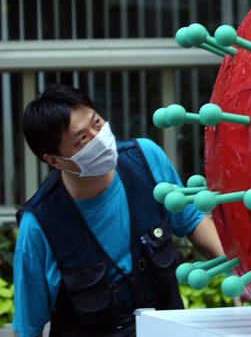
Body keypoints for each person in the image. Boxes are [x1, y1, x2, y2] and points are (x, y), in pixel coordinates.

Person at [13, 83, 224, 337]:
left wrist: (237, 269)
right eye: (82, 139)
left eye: (97, 123)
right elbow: (28, 328)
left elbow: (192, 222)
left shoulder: (145, 159)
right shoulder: (39, 225)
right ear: (54, 160)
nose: (98, 138)